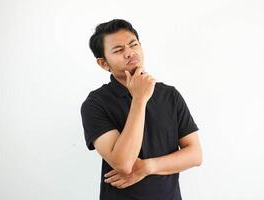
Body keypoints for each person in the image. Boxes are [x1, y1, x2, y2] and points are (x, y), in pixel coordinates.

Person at [80, 19, 203, 200]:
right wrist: (139, 99)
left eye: (133, 44)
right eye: (118, 50)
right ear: (103, 63)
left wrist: (147, 167)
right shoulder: (95, 103)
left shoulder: (169, 95)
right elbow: (123, 164)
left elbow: (195, 155)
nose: (129, 53)